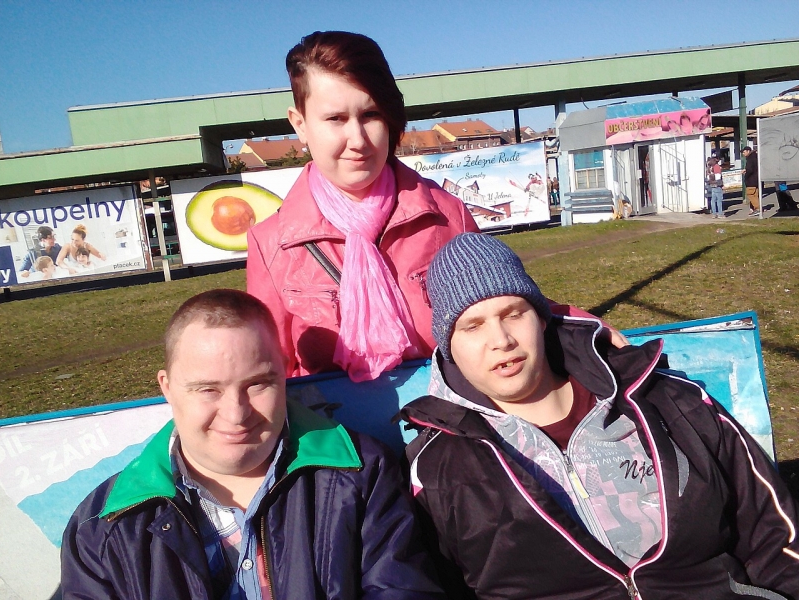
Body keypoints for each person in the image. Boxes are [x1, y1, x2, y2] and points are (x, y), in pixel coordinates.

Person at [400, 232, 799, 600]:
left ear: (541, 318)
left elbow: (773, 532)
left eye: (514, 314)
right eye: (472, 326)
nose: (501, 340)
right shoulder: (437, 466)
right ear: (449, 347)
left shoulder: (665, 401)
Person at [246, 31, 624, 383]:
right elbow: (266, 369)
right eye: (335, 119)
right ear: (300, 124)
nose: (357, 139)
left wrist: (585, 325)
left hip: (445, 420)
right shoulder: (270, 245)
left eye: (371, 115)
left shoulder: (445, 213)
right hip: (339, 429)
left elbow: (507, 303)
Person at [61, 289, 444, 600]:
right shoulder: (104, 525)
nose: (236, 414)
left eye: (258, 384)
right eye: (207, 389)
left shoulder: (362, 476)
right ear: (168, 388)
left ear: (284, 374)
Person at [742, 146, 760, 215]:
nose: (743, 154)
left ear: (748, 151)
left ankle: (758, 208)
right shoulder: (756, 157)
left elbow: (750, 169)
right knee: (755, 195)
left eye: (744, 152)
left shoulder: (750, 159)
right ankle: (756, 208)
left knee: (750, 194)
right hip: (757, 179)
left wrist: (746, 175)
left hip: (751, 180)